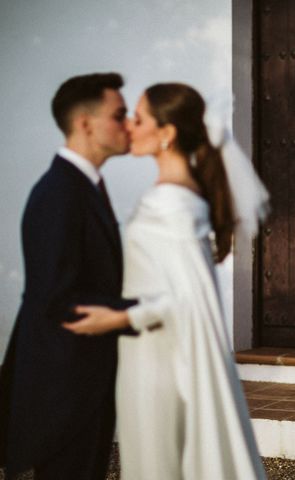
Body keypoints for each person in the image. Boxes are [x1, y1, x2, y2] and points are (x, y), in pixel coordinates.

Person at [63, 83, 268, 479]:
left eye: (139, 119)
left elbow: (188, 300)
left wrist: (120, 319)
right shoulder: (182, 197)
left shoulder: (169, 204)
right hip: (157, 352)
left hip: (159, 362)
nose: (130, 127)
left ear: (166, 134)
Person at [0, 72, 136, 480]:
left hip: (84, 380)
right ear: (85, 123)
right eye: (120, 114)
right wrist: (152, 311)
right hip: (65, 388)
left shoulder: (83, 186)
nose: (128, 124)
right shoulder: (59, 193)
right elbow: (59, 299)